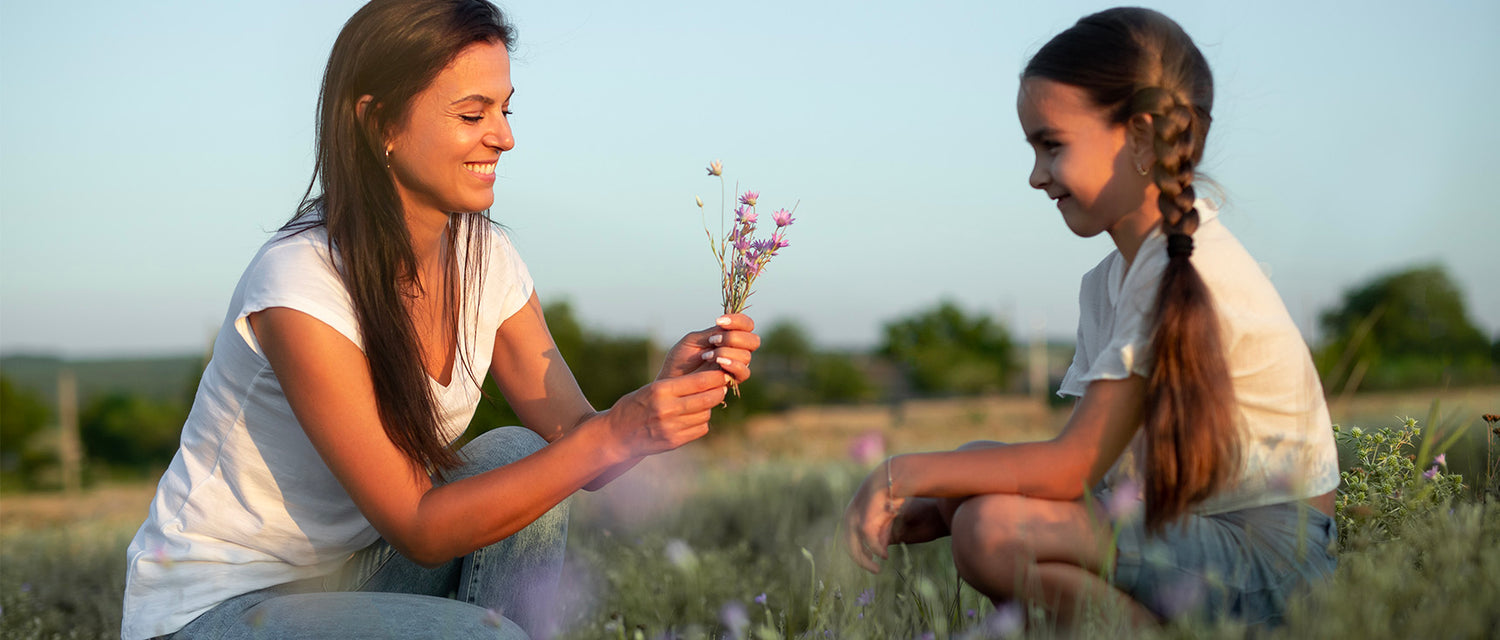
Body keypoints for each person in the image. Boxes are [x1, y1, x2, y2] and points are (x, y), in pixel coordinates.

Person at [121, 1, 759, 638]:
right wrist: (618, 431)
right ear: (378, 123)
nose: (504, 136)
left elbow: (583, 444)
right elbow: (421, 528)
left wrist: (656, 405)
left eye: (505, 110)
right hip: (217, 610)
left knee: (521, 450)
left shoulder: (486, 258)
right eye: (471, 114)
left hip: (352, 580)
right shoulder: (301, 285)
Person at [842, 7, 1339, 629]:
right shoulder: (1112, 280)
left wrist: (902, 472)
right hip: (1189, 537)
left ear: (1139, 137)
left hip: (1275, 559)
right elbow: (1078, 470)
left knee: (993, 530)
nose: (1034, 176)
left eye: (1051, 145)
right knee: (975, 489)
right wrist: (942, 503)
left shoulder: (1189, 270)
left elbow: (1070, 467)